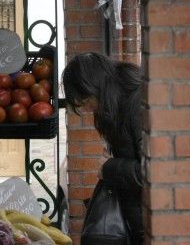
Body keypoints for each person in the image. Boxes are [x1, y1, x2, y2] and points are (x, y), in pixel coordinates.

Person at [62, 52, 144, 244]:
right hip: (135, 220)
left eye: (87, 101)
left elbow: (151, 173)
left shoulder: (136, 104)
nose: (87, 109)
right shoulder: (118, 103)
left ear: (95, 87)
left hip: (148, 223)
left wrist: (108, 168)